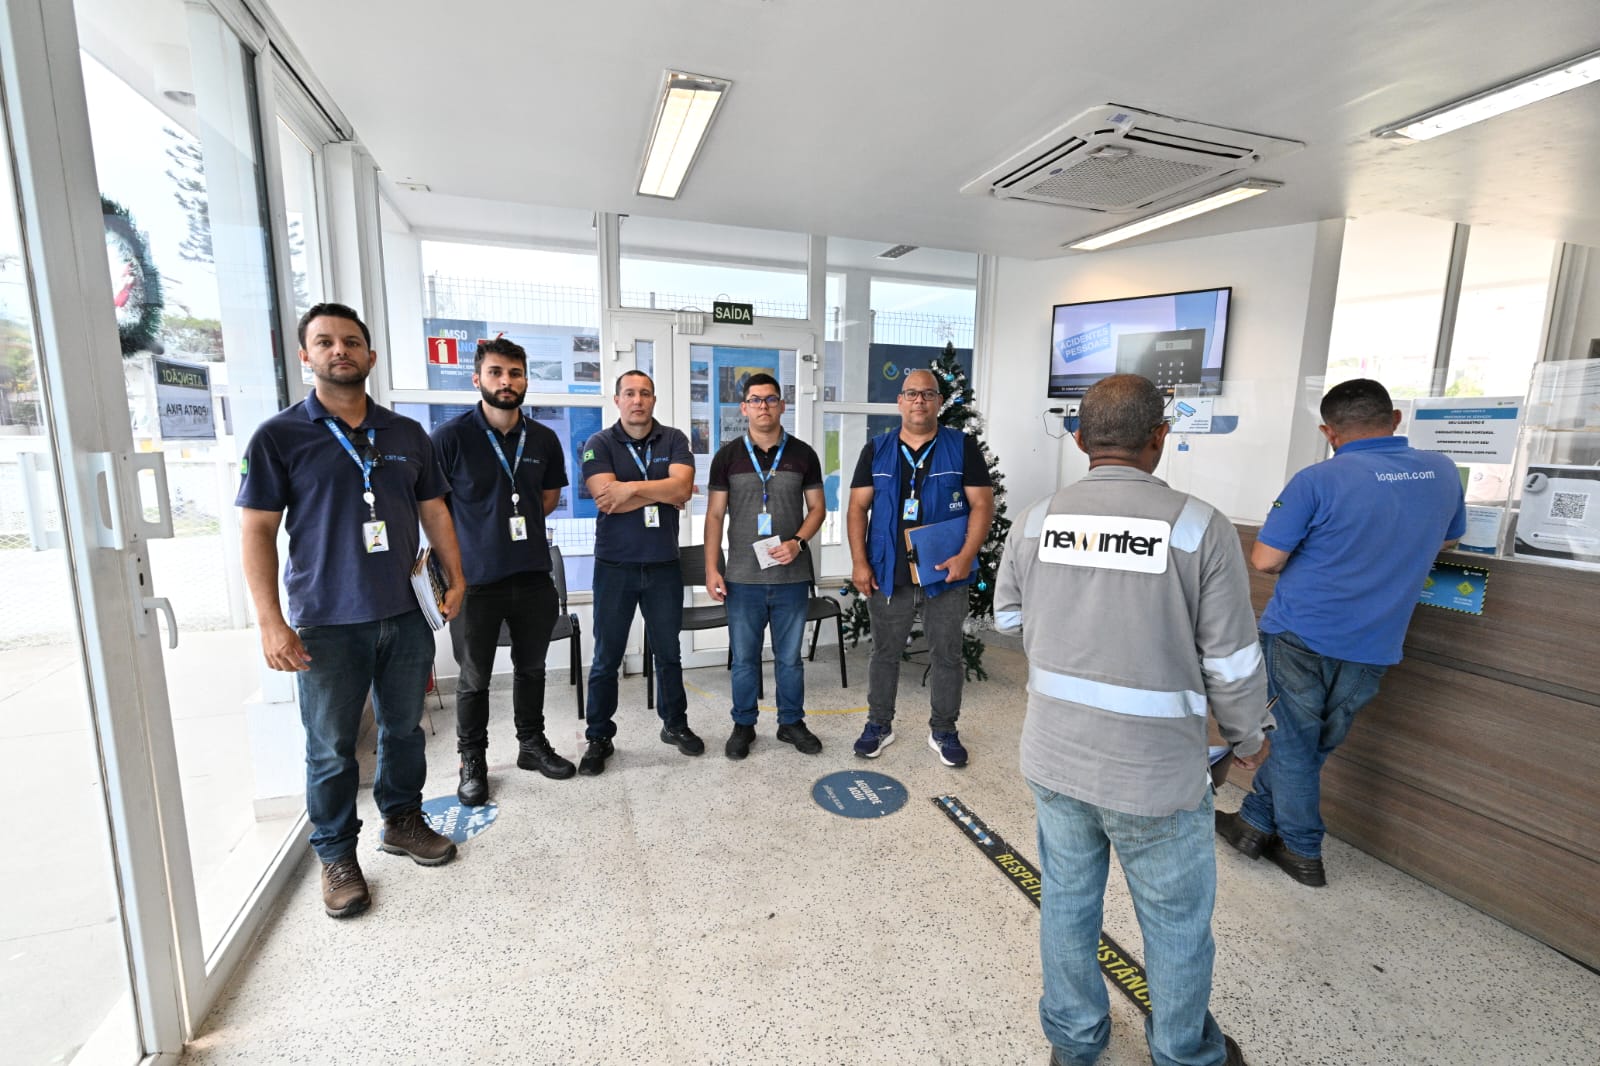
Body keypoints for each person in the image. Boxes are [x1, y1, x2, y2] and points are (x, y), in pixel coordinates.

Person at [994, 373, 1271, 1066]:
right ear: (1159, 438)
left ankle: (1076, 1041)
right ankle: (1181, 1052)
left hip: (1055, 757)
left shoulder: (1034, 520)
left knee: (1066, 902)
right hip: (1156, 774)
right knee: (1176, 923)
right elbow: (1232, 661)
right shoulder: (1199, 527)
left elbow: (1006, 620)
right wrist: (1247, 739)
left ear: (1080, 439)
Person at [237, 303, 465, 920]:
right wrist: (269, 620)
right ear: (306, 355)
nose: (340, 350)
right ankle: (337, 855)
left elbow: (435, 511)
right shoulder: (279, 437)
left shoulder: (406, 434)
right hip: (326, 621)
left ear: (370, 356)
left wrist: (458, 576)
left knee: (403, 729)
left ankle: (402, 820)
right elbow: (257, 530)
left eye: (352, 341)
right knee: (331, 747)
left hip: (406, 612)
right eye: (325, 342)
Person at [1217, 378, 1466, 887]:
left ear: (1328, 432)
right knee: (1310, 745)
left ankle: (1304, 849)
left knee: (1290, 745)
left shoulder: (1317, 480)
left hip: (1300, 635)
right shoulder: (1441, 471)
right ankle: (1255, 822)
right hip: (1377, 642)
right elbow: (1451, 538)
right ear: (1395, 419)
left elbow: (1264, 560)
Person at [432, 337, 573, 806]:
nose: (506, 382)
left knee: (532, 670)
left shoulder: (544, 439)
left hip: (533, 576)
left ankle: (531, 745)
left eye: (515, 373)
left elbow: (547, 499)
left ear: (526, 379)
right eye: (496, 373)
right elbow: (436, 512)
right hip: (475, 582)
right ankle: (472, 760)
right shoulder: (450, 439)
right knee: (474, 679)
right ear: (477, 379)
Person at [846, 368, 995, 766]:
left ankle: (944, 729)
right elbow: (858, 508)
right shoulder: (875, 450)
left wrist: (966, 556)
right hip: (888, 570)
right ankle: (879, 724)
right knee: (884, 653)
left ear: (939, 402)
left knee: (947, 654)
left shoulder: (961, 447)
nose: (919, 401)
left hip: (946, 573)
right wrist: (860, 562)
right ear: (899, 401)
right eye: (911, 394)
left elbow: (982, 504)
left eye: (928, 394)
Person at [577, 370, 698, 775]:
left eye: (645, 393)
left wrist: (629, 488)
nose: (637, 400)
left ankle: (675, 725)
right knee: (606, 656)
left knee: (669, 653)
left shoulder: (675, 439)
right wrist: (658, 490)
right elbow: (605, 499)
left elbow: (683, 490)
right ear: (617, 401)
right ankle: (598, 735)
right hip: (615, 566)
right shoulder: (599, 443)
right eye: (629, 393)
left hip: (663, 564)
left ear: (654, 398)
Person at [704, 373, 827, 759]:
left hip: (791, 576)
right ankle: (743, 724)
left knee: (790, 659)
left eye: (770, 399)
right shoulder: (727, 457)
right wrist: (712, 569)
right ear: (743, 408)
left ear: (782, 405)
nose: (763, 406)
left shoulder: (803, 454)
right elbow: (714, 516)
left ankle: (791, 723)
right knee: (744, 659)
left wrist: (798, 542)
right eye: (755, 400)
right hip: (742, 578)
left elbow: (818, 509)